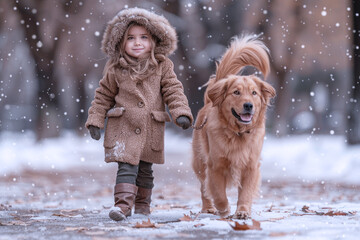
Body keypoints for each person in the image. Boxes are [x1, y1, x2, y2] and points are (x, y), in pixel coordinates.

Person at [85, 7, 193, 221]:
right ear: (120, 43)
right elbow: (103, 96)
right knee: (126, 167)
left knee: (145, 170)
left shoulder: (163, 66)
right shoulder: (115, 69)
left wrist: (181, 112)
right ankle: (122, 206)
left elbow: (173, 90)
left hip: (150, 127)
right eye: (130, 38)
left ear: (154, 41)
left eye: (144, 37)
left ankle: (143, 206)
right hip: (123, 127)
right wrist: (96, 120)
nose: (137, 42)